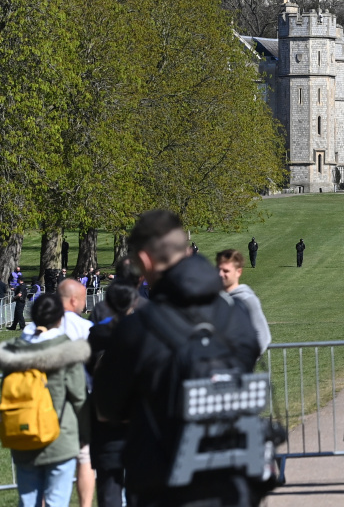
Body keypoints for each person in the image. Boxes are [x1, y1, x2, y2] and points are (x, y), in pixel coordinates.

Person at [92, 209, 260, 507]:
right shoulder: (236, 317)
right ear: (186, 250)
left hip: (163, 480)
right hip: (230, 475)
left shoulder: (137, 330)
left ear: (144, 261)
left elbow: (107, 408)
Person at [0, 293, 90, 507]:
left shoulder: (13, 353)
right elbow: (79, 397)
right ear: (60, 318)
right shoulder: (66, 350)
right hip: (60, 436)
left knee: (28, 501)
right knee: (56, 501)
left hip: (23, 434)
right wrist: (85, 434)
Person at [39, 279, 95, 507]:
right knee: (84, 457)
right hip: (76, 399)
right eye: (83, 300)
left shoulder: (36, 327)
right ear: (73, 300)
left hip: (42, 401)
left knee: (44, 460)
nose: (83, 304)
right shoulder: (84, 327)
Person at [88, 281, 138, 507]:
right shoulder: (144, 333)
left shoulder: (97, 334)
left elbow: (88, 369)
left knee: (109, 487)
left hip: (105, 415)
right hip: (138, 416)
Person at [216, 250, 272, 357]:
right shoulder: (214, 298)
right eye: (218, 269)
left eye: (226, 271)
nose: (220, 274)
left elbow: (263, 337)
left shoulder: (246, 299)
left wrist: (243, 362)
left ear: (238, 272)